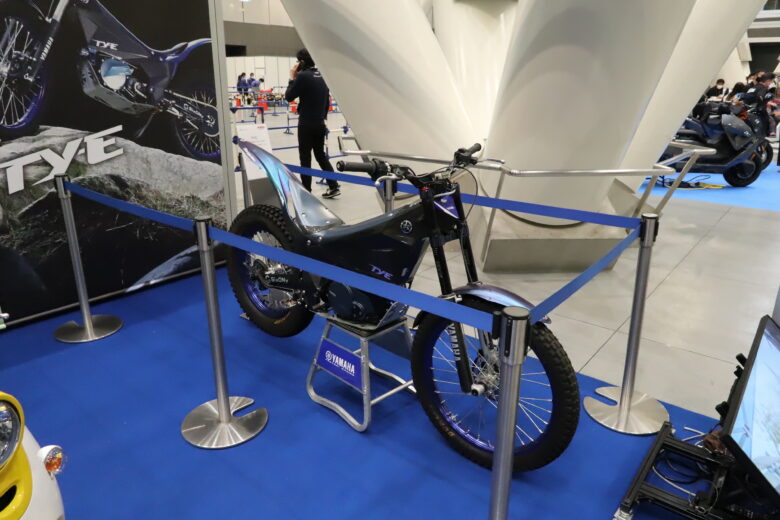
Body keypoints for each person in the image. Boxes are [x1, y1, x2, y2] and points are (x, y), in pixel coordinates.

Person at [285, 48, 340, 198]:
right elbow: (326, 102)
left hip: (306, 124)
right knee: (320, 155)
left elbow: (289, 96)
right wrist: (321, 118)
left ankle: (307, 192)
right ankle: (334, 186)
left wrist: (292, 77)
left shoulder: (302, 76)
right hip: (320, 123)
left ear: (302, 62)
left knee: (305, 158)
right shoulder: (322, 75)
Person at [743, 72, 777, 136]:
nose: (771, 83)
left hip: (748, 112)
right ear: (768, 81)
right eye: (771, 81)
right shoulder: (763, 88)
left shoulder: (754, 87)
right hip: (759, 113)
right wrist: (766, 102)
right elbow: (760, 96)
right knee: (763, 131)